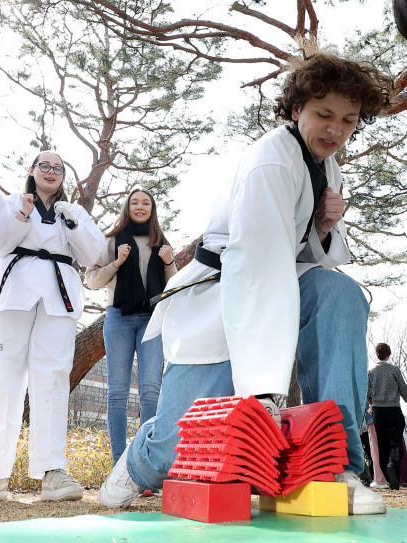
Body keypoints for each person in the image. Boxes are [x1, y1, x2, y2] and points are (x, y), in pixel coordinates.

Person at [99, 54, 392, 515]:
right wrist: (263, 393)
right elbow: (259, 270)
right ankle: (139, 459)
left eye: (348, 120)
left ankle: (337, 463)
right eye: (324, 114)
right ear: (296, 109)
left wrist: (323, 225)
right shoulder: (270, 163)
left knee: (340, 294)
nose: (335, 129)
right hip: (222, 294)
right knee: (176, 445)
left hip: (281, 286)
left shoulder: (326, 166)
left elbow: (306, 258)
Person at [0, 150, 105, 502]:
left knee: (52, 379)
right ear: (32, 170)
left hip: (59, 296)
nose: (51, 172)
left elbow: (92, 256)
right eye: (45, 166)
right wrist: (21, 213)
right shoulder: (8, 203)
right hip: (14, 292)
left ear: (64, 176)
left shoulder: (75, 212)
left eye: (58, 168)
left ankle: (52, 472)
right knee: (4, 378)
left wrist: (73, 225)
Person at [86, 186, 177, 465]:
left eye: (145, 203)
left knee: (151, 390)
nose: (140, 207)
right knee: (117, 393)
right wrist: (117, 262)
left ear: (152, 209)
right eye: (134, 202)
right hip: (119, 318)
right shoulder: (112, 240)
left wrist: (169, 261)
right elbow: (92, 280)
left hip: (152, 318)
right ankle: (118, 465)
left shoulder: (161, 241)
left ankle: (145, 464)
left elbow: (175, 286)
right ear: (127, 207)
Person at [368, 343, 407, 490]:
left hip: (378, 411)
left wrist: (372, 403)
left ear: (377, 355)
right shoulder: (394, 370)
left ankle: (390, 479)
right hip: (393, 409)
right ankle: (393, 467)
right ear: (389, 354)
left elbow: (366, 392)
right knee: (396, 442)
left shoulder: (370, 371)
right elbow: (403, 389)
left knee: (383, 445)